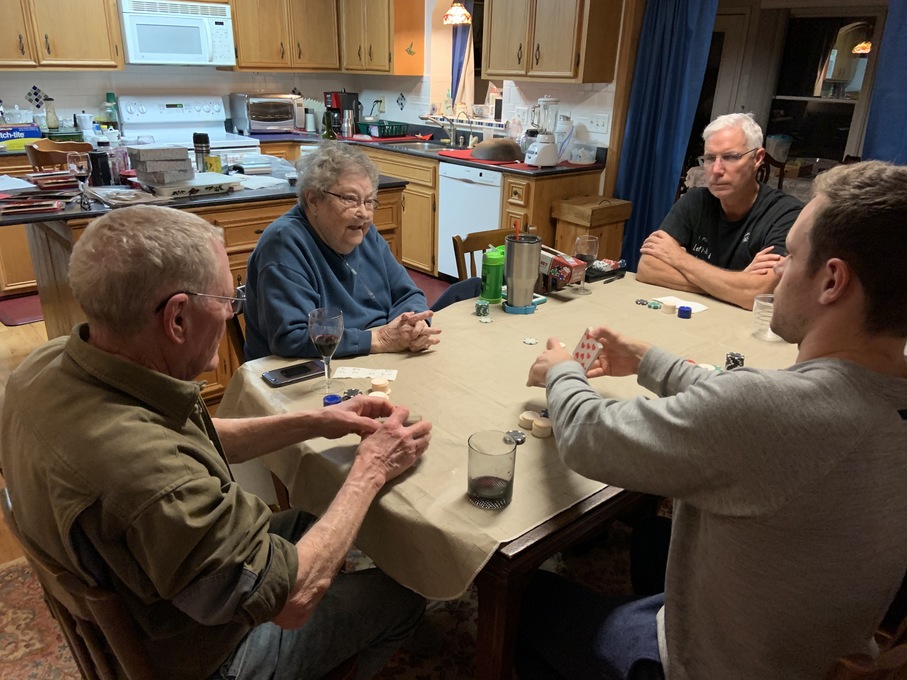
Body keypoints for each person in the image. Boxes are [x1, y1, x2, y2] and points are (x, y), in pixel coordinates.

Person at [0, 204, 433, 680]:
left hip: (146, 589)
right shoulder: (153, 478)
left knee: (315, 513)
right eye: (228, 300)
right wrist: (370, 470)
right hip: (204, 654)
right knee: (407, 592)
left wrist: (318, 420)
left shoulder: (48, 365)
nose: (232, 312)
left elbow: (190, 439)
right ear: (178, 318)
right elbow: (293, 603)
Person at [520, 160, 907, 680]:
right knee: (652, 542)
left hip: (703, 665)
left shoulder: (772, 412)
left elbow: (590, 438)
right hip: (817, 648)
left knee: (526, 593)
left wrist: (562, 372)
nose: (776, 274)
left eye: (789, 257)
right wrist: (652, 362)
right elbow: (761, 409)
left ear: (832, 281)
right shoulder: (883, 398)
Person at [244, 141, 443, 360]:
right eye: (350, 199)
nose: (364, 214)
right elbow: (292, 338)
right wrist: (379, 340)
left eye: (369, 201)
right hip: (307, 369)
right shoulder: (284, 244)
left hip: (375, 357)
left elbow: (407, 293)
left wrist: (415, 324)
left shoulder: (365, 234)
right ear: (313, 201)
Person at [636, 113, 803, 310]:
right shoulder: (694, 201)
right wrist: (736, 284)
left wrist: (679, 259)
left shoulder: (786, 214)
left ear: (757, 159)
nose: (716, 170)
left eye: (730, 157)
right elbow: (647, 268)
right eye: (709, 158)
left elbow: (756, 295)